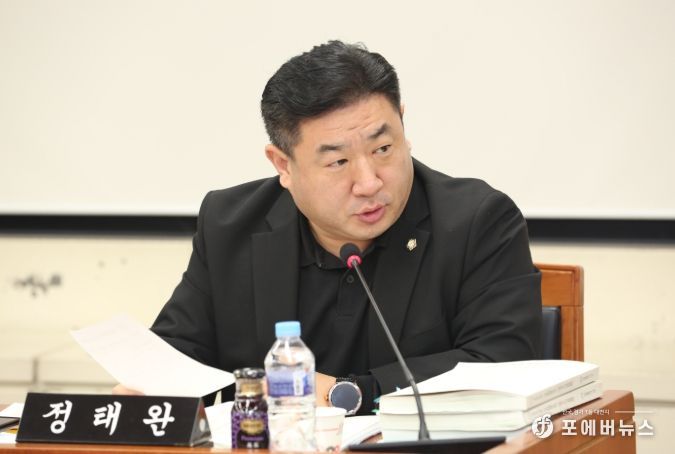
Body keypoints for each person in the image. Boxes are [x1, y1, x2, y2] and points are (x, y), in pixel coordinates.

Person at [115, 40, 542, 415]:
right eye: (338, 162)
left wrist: (351, 393)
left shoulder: (477, 222)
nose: (369, 182)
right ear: (283, 164)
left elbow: (504, 364)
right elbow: (175, 358)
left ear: (403, 126)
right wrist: (148, 389)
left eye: (383, 148)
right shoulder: (231, 225)